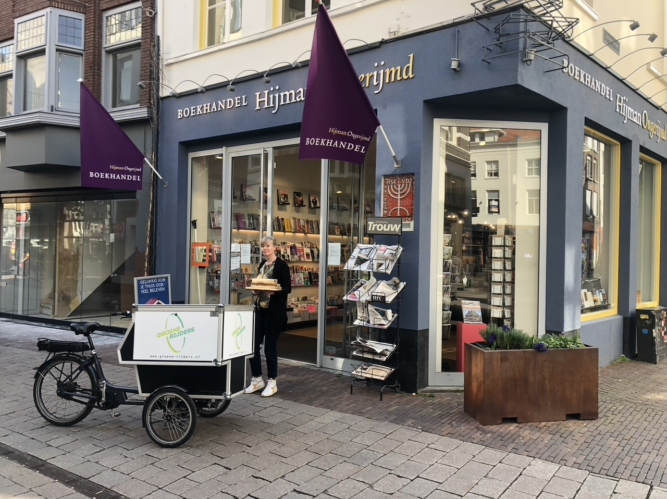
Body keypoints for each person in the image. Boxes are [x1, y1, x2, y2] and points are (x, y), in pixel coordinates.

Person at [245, 236, 292, 397]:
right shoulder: (262, 265)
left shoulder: (282, 266)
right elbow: (257, 285)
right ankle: (257, 379)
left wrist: (275, 291)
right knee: (253, 345)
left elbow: (287, 288)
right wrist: (255, 291)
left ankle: (272, 381)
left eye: (268, 246)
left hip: (275, 312)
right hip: (261, 309)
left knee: (270, 347)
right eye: (263, 246)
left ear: (275, 248)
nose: (265, 249)